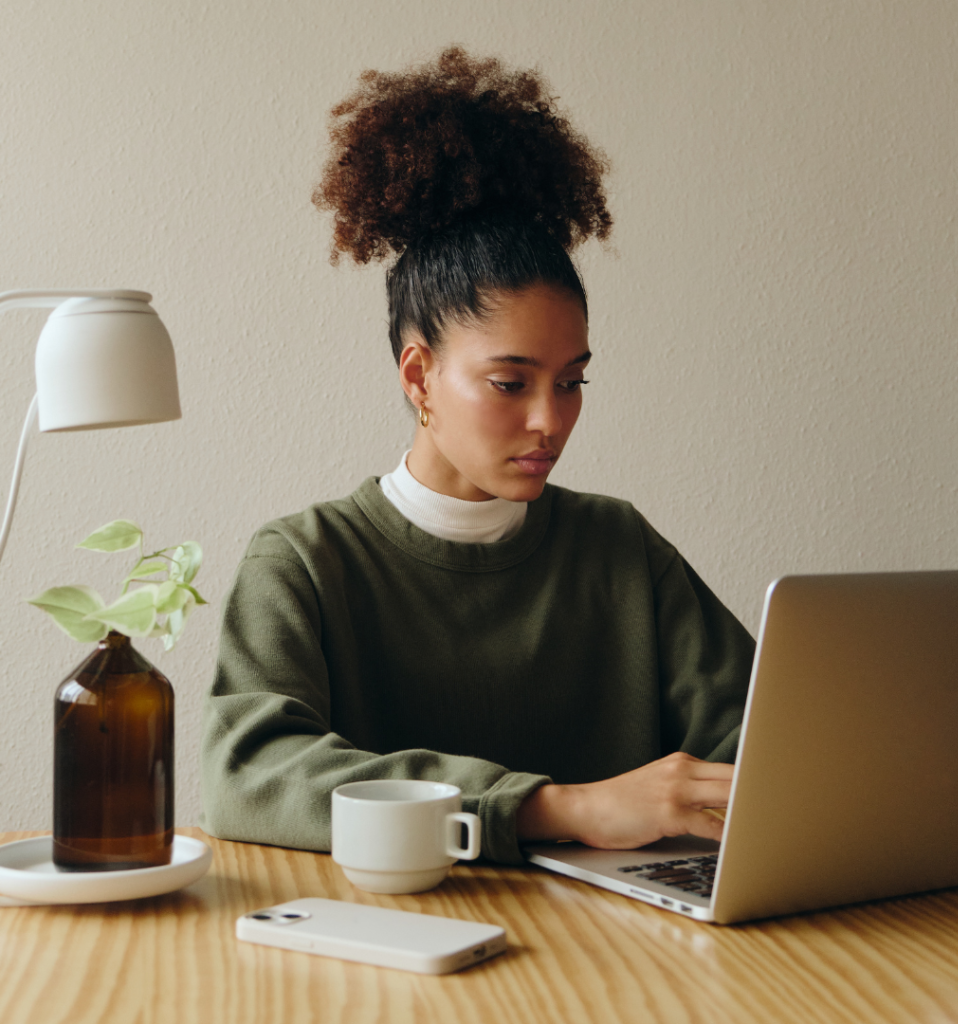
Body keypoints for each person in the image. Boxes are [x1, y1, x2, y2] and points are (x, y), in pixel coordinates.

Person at [201, 47, 755, 865]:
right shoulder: (305, 562)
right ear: (418, 374)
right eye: (509, 382)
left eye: (572, 381)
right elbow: (247, 775)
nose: (550, 421)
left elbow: (764, 742)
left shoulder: (620, 549)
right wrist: (557, 807)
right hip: (388, 966)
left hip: (633, 961)